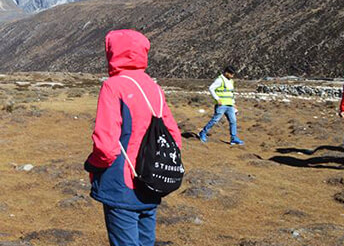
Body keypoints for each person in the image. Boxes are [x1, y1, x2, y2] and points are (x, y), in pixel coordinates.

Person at [84, 29, 182, 246]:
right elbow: (174, 137)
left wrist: (92, 165)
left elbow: (106, 146)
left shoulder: (113, 86)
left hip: (121, 184)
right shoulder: (155, 88)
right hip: (152, 181)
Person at [198, 66, 244, 145]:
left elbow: (230, 93)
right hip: (221, 105)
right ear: (226, 73)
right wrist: (217, 99)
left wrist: (233, 104)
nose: (232, 76)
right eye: (231, 74)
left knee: (233, 121)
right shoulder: (220, 80)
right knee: (215, 120)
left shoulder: (231, 81)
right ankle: (203, 132)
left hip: (229, 105)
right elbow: (211, 88)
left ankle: (233, 138)